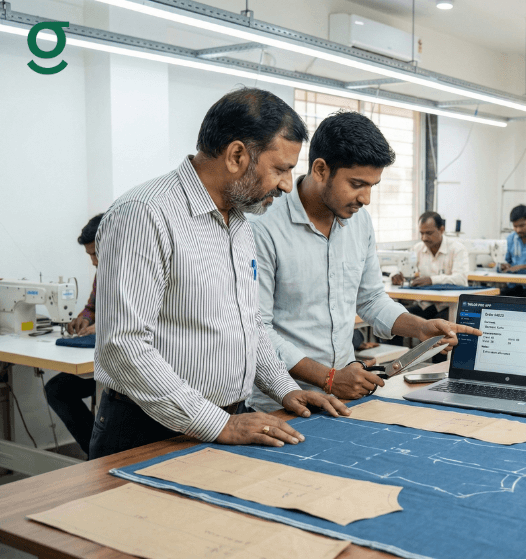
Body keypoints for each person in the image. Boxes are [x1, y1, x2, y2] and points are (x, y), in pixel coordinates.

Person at [91, 87, 348, 460]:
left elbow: (248, 323)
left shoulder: (240, 220)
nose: (287, 185)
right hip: (149, 429)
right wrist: (218, 423)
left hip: (230, 420)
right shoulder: (145, 214)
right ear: (237, 155)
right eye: (280, 169)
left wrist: (283, 388)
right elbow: (123, 345)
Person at [249, 111, 482, 409]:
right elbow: (258, 330)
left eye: (373, 186)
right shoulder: (263, 227)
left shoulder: (359, 223)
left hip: (346, 394)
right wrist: (328, 378)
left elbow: (371, 299)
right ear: (321, 170)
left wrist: (419, 328)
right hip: (281, 403)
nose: (366, 198)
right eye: (357, 184)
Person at [44, 214, 103, 457]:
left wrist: (102, 327)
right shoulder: (102, 274)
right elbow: (92, 306)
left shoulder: (136, 272)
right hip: (102, 360)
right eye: (89, 255)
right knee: (57, 389)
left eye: (94, 254)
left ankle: (98, 452)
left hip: (126, 365)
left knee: (59, 390)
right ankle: (94, 451)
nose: (92, 262)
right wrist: (85, 319)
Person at [391, 211, 470, 318]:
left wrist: (432, 280)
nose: (424, 238)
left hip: (449, 307)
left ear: (441, 230)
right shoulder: (417, 249)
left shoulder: (457, 249)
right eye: (421, 233)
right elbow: (402, 268)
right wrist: (396, 276)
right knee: (394, 319)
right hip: (425, 305)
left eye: (429, 233)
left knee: (438, 324)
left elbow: (461, 279)